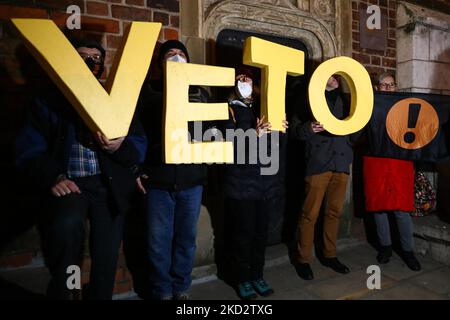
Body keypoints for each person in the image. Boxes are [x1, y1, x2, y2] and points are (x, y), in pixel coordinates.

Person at [15, 37, 147, 299]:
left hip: (106, 184)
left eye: (95, 59)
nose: (89, 62)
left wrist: (119, 148)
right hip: (71, 183)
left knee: (107, 251)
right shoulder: (48, 100)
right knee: (66, 227)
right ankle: (63, 292)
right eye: (82, 56)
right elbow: (28, 148)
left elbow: (139, 141)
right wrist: (52, 176)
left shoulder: (116, 98)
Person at [136, 40, 208, 300]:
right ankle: (162, 291)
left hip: (191, 180)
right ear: (161, 62)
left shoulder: (200, 93)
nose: (177, 58)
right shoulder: (149, 93)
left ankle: (181, 288)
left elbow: (209, 133)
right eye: (171, 54)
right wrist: (138, 169)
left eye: (181, 54)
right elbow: (138, 135)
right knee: (158, 242)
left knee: (186, 240)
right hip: (158, 181)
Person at [221, 67, 288, 300]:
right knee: (243, 234)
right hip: (241, 184)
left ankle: (257, 275)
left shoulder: (265, 108)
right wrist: (254, 135)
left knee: (261, 234)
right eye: (240, 79)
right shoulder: (228, 110)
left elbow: (276, 148)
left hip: (265, 184)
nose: (244, 81)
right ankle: (242, 279)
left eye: (248, 78)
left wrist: (281, 130)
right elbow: (229, 146)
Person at [290, 75, 353, 280]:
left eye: (336, 75)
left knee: (334, 212)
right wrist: (309, 128)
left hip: (341, 163)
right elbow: (295, 130)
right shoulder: (307, 98)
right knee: (310, 214)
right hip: (318, 163)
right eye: (328, 74)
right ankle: (303, 259)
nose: (332, 78)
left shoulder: (348, 100)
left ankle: (329, 254)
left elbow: (356, 134)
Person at [363, 73, 421, 271]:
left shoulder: (406, 108)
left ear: (396, 87)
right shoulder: (369, 107)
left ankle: (408, 251)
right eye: (383, 85)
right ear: (377, 88)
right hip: (377, 162)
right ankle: (385, 247)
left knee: (401, 209)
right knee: (379, 207)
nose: (387, 88)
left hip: (399, 162)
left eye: (391, 85)